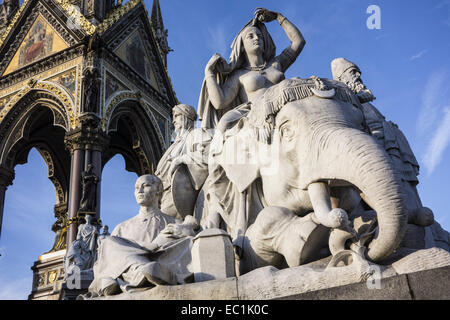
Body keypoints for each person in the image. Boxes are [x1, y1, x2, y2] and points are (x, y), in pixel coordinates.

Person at [331, 57, 434, 226]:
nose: (358, 74)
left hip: (392, 148)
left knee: (405, 186)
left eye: (357, 71)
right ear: (341, 78)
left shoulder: (365, 101)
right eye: (352, 72)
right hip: (374, 153)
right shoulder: (344, 102)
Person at [87, 175, 199, 297]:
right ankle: (140, 270)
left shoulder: (175, 223)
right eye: (136, 188)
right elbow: (104, 261)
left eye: (145, 186)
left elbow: (193, 241)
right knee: (108, 242)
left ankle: (149, 272)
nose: (139, 191)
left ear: (158, 190)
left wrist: (188, 232)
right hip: (136, 269)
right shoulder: (121, 228)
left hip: (161, 261)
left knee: (187, 240)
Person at [198, 8, 306, 130]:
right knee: (224, 124)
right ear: (242, 47)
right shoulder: (238, 75)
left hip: (285, 108)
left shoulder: (276, 63)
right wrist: (209, 72)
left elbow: (298, 42)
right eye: (251, 36)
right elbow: (219, 102)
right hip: (257, 115)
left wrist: (279, 17)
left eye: (259, 36)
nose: (256, 38)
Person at [155, 104, 211, 219]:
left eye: (177, 116)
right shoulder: (175, 143)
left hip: (175, 192)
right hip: (160, 193)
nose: (174, 120)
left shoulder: (196, 134)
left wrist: (181, 159)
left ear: (186, 117)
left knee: (165, 224)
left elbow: (209, 155)